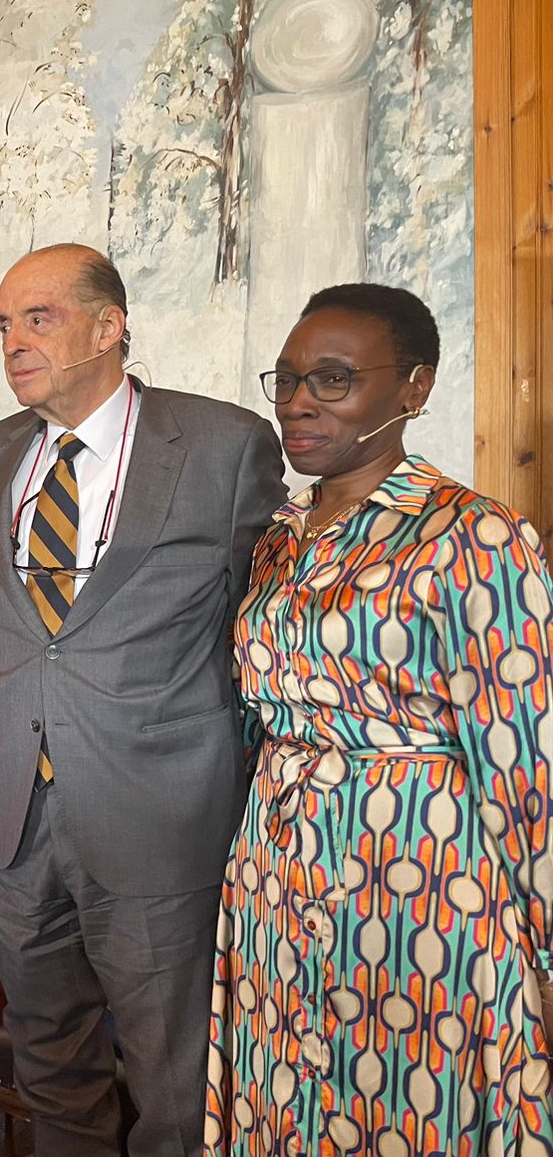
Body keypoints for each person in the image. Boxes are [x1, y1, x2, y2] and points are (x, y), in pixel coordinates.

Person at [206, 284, 553, 1154]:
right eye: (285, 381)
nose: (296, 403)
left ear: (413, 388)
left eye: (331, 379)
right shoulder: (280, 538)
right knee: (286, 1088)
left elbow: (524, 756)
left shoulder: (472, 534)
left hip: (418, 874)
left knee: (404, 1097)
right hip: (274, 874)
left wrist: (542, 948)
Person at [0, 243, 286, 1156]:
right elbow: (2, 634)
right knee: (51, 1063)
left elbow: (260, 627)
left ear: (110, 327)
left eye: (38, 318)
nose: (14, 342)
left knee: (175, 1081)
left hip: (159, 813)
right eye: (4, 325)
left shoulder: (222, 444)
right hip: (19, 822)